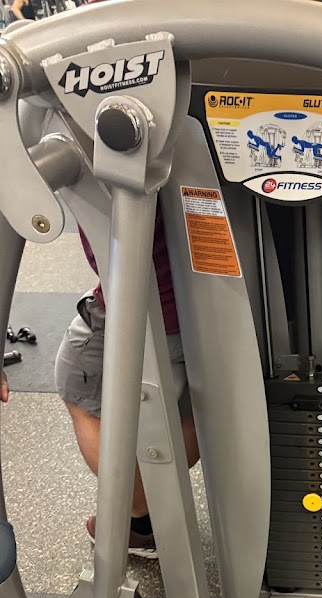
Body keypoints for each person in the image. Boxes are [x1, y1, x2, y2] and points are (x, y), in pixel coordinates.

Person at [51, 0, 199, 559]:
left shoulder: (117, 50)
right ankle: (148, 512)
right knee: (192, 404)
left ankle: (138, 519)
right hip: (193, 303)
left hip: (146, 302)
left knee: (75, 378)